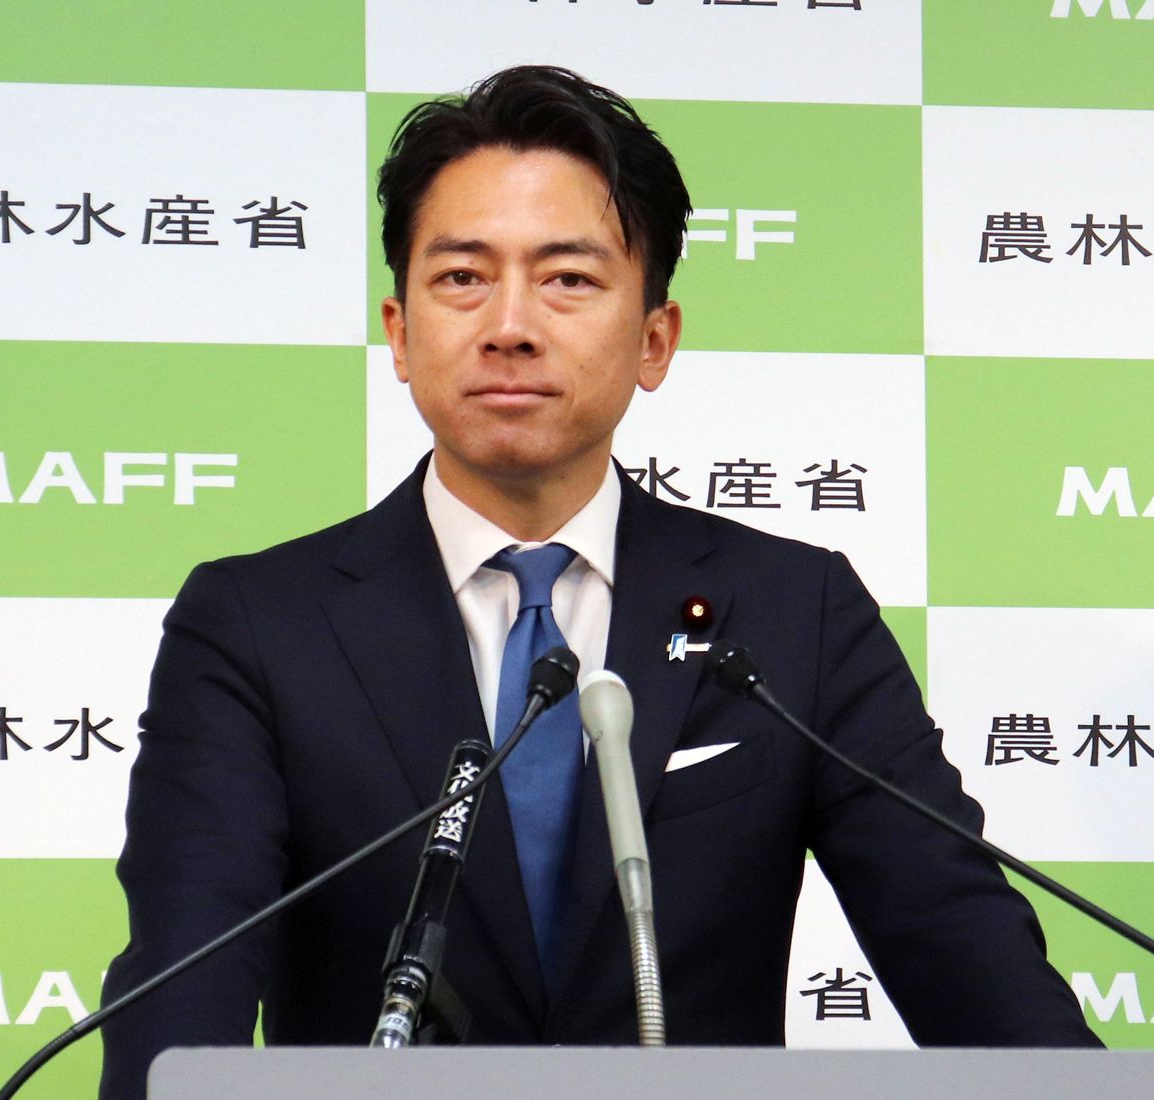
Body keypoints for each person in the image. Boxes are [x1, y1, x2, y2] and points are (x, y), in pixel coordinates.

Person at [99, 65, 1099, 1098]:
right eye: (462, 277)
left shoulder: (793, 612)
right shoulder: (258, 626)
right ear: (399, 333)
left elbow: (966, 956)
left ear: (654, 339)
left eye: (568, 279)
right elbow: (180, 1000)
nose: (509, 325)